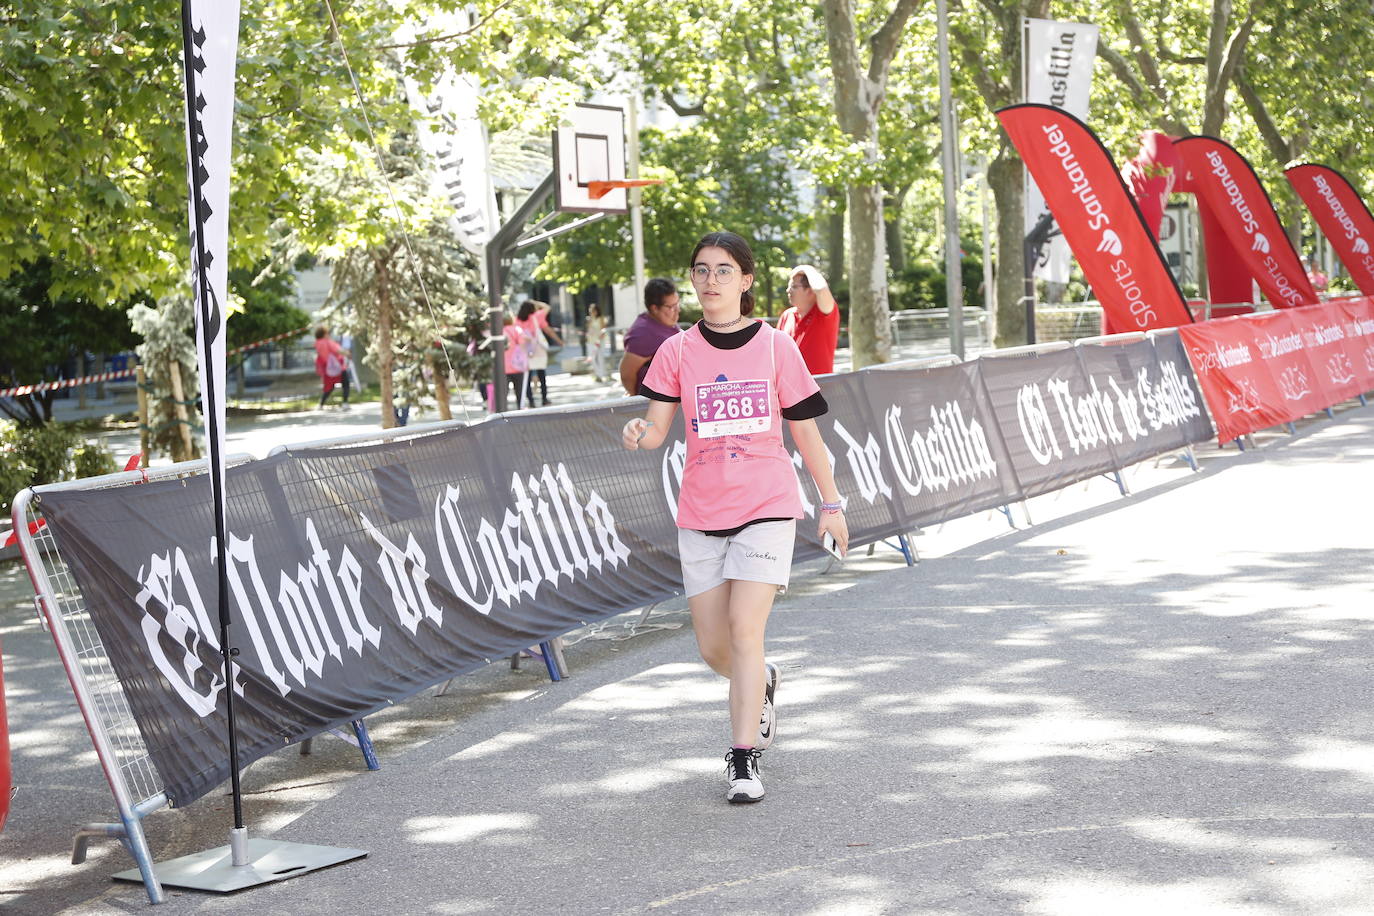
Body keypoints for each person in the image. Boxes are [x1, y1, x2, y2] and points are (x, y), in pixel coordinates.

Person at [620, 231, 849, 804]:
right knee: (715, 649)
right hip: (700, 511)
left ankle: (743, 759)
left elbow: (806, 431)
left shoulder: (776, 348)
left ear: (746, 281)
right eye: (701, 270)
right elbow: (655, 431)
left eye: (724, 270)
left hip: (767, 505)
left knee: (747, 629)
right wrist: (638, 434)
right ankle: (762, 682)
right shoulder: (675, 351)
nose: (710, 280)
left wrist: (831, 502)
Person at [619, 278, 682, 395]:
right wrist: (637, 400)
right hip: (657, 402)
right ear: (654, 308)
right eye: (671, 307)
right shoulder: (642, 334)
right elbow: (626, 374)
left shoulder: (664, 321)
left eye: (677, 303)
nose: (678, 310)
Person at [777, 264, 840, 375]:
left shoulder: (824, 313)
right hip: (789, 388)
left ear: (810, 290)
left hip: (819, 387)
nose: (788, 290)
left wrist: (805, 269)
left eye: (794, 287)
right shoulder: (787, 315)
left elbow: (821, 289)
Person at [516, 300, 563, 407]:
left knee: (526, 377)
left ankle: (531, 401)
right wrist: (536, 303)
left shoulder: (517, 320)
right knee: (541, 374)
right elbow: (547, 307)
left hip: (525, 350)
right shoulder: (536, 316)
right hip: (538, 349)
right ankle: (544, 399)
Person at [313, 325, 350, 408]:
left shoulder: (317, 344)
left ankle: (321, 404)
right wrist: (347, 353)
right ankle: (345, 403)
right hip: (338, 367)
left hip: (327, 368)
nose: (328, 334)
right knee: (346, 383)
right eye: (327, 333)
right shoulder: (328, 342)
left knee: (329, 386)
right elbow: (338, 350)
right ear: (324, 334)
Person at [502, 313, 533, 409]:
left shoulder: (499, 332)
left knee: (503, 392)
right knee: (519, 391)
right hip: (517, 366)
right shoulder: (517, 330)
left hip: (503, 367)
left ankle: (503, 410)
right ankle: (520, 409)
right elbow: (524, 345)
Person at [584, 303, 609, 383]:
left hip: (599, 341)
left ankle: (602, 374)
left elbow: (603, 330)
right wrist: (590, 320)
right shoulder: (589, 319)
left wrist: (599, 339)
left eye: (593, 311)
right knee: (593, 358)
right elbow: (589, 329)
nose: (592, 313)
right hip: (591, 341)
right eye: (591, 311)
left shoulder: (601, 318)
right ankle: (598, 375)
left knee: (600, 357)